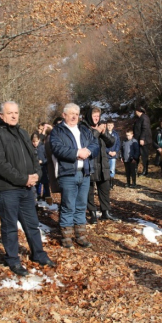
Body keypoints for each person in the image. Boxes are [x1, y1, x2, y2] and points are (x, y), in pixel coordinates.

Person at [0, 101, 55, 276]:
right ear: (2, 116)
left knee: (31, 223)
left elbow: (33, 156)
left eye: (16, 112)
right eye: (10, 113)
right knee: (9, 226)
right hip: (6, 189)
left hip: (26, 189)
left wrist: (36, 175)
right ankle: (13, 260)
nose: (14, 115)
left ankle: (38, 254)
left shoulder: (23, 133)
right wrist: (23, 179)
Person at [50, 103, 99, 248]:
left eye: (76, 114)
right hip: (67, 173)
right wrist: (77, 153)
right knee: (68, 205)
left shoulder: (84, 130)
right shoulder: (57, 131)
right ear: (64, 115)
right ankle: (66, 237)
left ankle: (81, 236)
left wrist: (88, 152)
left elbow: (95, 144)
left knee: (81, 205)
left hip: (84, 173)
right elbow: (57, 148)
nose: (74, 117)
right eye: (71, 114)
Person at [81, 107, 120, 224]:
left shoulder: (101, 127)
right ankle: (92, 213)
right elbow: (87, 141)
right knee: (89, 190)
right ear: (89, 116)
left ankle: (106, 212)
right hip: (91, 162)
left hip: (103, 162)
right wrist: (97, 131)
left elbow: (111, 142)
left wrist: (104, 133)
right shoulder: (83, 127)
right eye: (94, 116)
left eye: (98, 116)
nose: (96, 118)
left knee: (105, 189)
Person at [31, 132, 50, 201]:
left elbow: (48, 158)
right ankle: (36, 199)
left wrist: (42, 161)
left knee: (46, 185)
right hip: (35, 170)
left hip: (43, 169)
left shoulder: (43, 147)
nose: (35, 143)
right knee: (36, 185)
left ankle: (48, 199)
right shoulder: (31, 149)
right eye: (33, 142)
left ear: (39, 140)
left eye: (36, 141)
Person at [133, 106, 152, 176]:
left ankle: (145, 171)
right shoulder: (139, 118)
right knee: (136, 155)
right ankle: (135, 170)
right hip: (138, 140)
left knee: (144, 156)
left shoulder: (144, 118)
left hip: (144, 140)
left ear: (138, 111)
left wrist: (142, 138)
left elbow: (145, 129)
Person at [105, 119, 121, 190]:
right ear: (106, 125)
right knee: (106, 169)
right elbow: (103, 145)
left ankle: (111, 183)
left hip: (113, 155)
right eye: (108, 125)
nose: (109, 127)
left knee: (112, 169)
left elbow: (118, 144)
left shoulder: (116, 134)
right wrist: (108, 151)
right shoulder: (104, 134)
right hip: (106, 155)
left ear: (113, 126)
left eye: (111, 125)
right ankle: (106, 183)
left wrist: (115, 151)